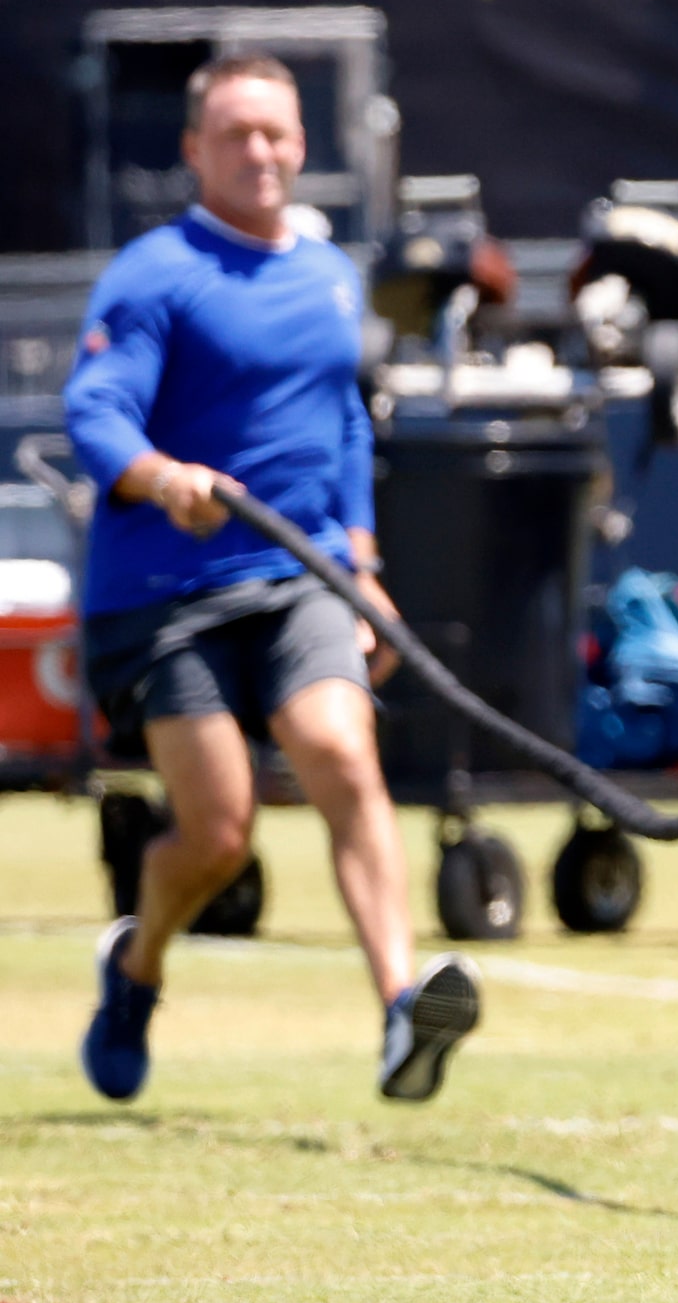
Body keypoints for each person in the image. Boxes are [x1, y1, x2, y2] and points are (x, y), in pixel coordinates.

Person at [65, 53, 480, 1105]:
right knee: (217, 831)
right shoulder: (154, 273)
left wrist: (366, 569)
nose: (260, 152)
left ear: (303, 146)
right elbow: (95, 412)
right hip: (170, 595)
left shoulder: (332, 275)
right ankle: (136, 968)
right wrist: (161, 479)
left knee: (342, 750)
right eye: (237, 134)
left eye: (277, 134)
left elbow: (343, 427)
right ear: (194, 149)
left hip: (300, 579)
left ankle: (400, 1012)